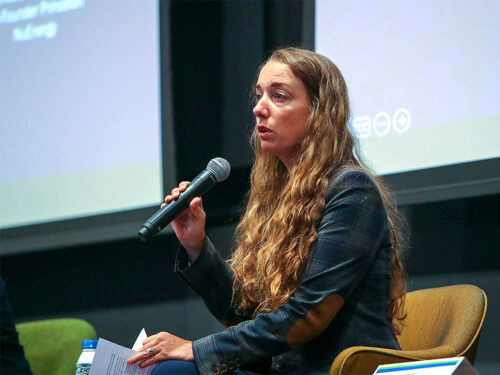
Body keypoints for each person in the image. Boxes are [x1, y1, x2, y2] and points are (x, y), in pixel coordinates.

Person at [128, 48, 407, 375]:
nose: (259, 108)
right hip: (285, 366)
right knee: (161, 368)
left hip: (336, 368)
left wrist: (196, 349)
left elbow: (308, 315)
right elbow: (244, 315)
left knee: (172, 371)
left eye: (279, 96)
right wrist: (196, 245)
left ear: (319, 112)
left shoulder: (352, 190)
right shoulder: (279, 200)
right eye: (259, 95)